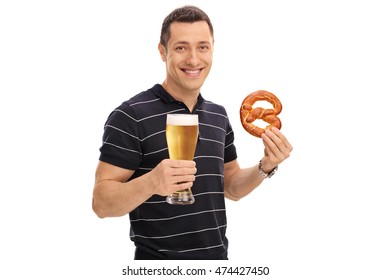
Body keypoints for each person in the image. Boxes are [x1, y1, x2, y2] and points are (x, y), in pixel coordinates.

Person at [92, 5, 292, 260]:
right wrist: (152, 182)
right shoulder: (131, 115)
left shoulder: (218, 115)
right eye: (181, 47)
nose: (194, 60)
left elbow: (230, 186)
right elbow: (101, 203)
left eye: (203, 47)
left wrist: (266, 166)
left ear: (212, 50)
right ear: (162, 52)